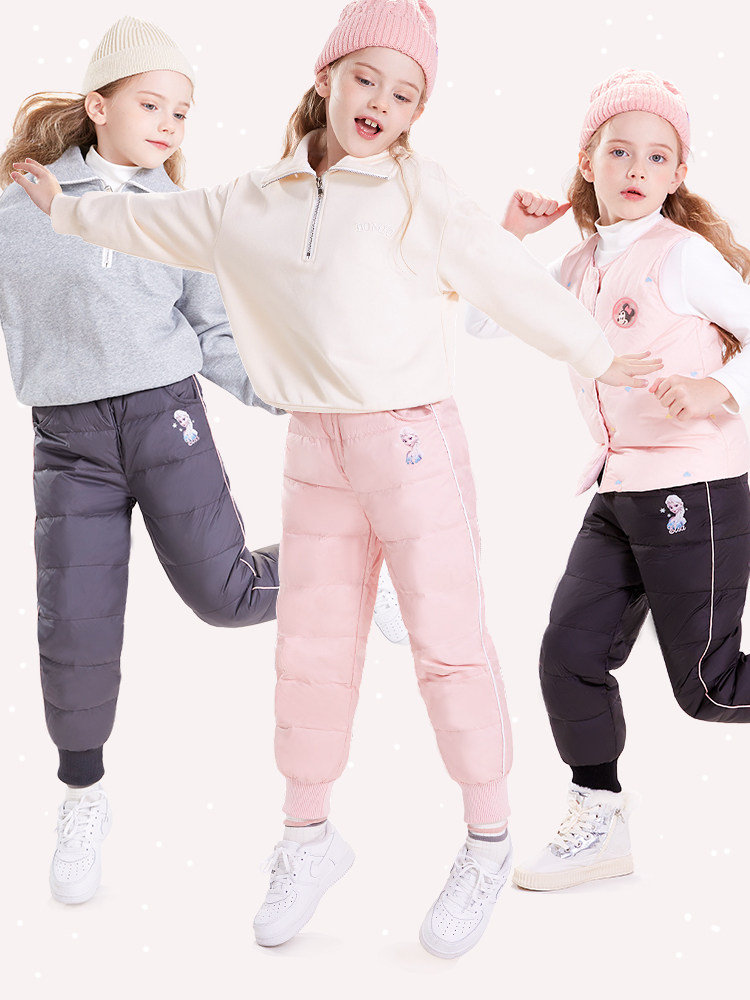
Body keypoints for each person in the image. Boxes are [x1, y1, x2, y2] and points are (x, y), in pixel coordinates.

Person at [12, 4, 658, 956]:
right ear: (327, 78)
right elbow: (154, 222)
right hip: (315, 447)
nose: (381, 103)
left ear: (417, 112)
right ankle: (307, 838)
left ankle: (487, 842)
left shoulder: (419, 192)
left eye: (406, 94)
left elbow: (503, 279)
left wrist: (600, 356)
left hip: (411, 443)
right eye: (366, 78)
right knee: (311, 650)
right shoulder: (256, 198)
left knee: (448, 647)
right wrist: (66, 210)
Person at [0, 16, 283, 906]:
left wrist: (282, 395)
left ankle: (347, 566)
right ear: (98, 106)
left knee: (226, 597)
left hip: (167, 421)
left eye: (182, 112)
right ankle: (82, 799)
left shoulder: (179, 215)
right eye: (151, 104)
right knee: (74, 629)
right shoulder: (20, 205)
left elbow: (215, 329)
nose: (169, 124)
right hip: (68, 442)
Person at [467, 69, 750, 893]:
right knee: (569, 655)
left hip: (693, 489)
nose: (636, 167)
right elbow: (483, 322)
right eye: (619, 150)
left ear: (677, 174)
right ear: (587, 162)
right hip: (619, 489)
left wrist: (719, 388)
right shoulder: (579, 262)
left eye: (657, 156)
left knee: (708, 688)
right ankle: (599, 818)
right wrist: (509, 238)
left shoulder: (683, 257)